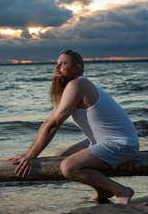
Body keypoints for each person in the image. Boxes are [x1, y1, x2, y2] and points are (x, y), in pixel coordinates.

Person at [8, 50, 139, 205]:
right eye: (57, 64)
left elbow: (54, 125)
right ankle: (103, 189)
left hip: (121, 144)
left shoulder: (79, 84)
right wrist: (29, 153)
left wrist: (30, 157)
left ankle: (121, 190)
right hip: (100, 141)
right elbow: (49, 122)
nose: (57, 67)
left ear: (77, 68)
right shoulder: (66, 89)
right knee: (58, 158)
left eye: (63, 64)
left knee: (68, 167)